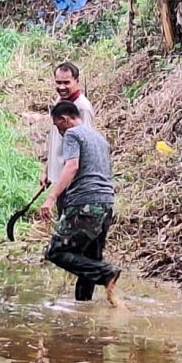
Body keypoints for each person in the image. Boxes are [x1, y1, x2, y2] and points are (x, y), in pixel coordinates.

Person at [39, 101, 121, 306]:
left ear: (65, 120)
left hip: (85, 203)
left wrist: (51, 197)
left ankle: (106, 273)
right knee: (90, 258)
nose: (59, 130)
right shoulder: (99, 137)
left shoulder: (72, 134)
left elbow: (72, 165)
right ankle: (83, 307)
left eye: (58, 125)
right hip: (106, 203)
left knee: (55, 251)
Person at [40, 62, 98, 300]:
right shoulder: (59, 104)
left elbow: (84, 148)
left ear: (77, 81)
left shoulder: (82, 108)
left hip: (73, 184)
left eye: (66, 82)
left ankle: (90, 285)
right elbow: (55, 141)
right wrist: (47, 170)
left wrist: (57, 191)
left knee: (77, 241)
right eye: (58, 82)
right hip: (59, 179)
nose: (61, 87)